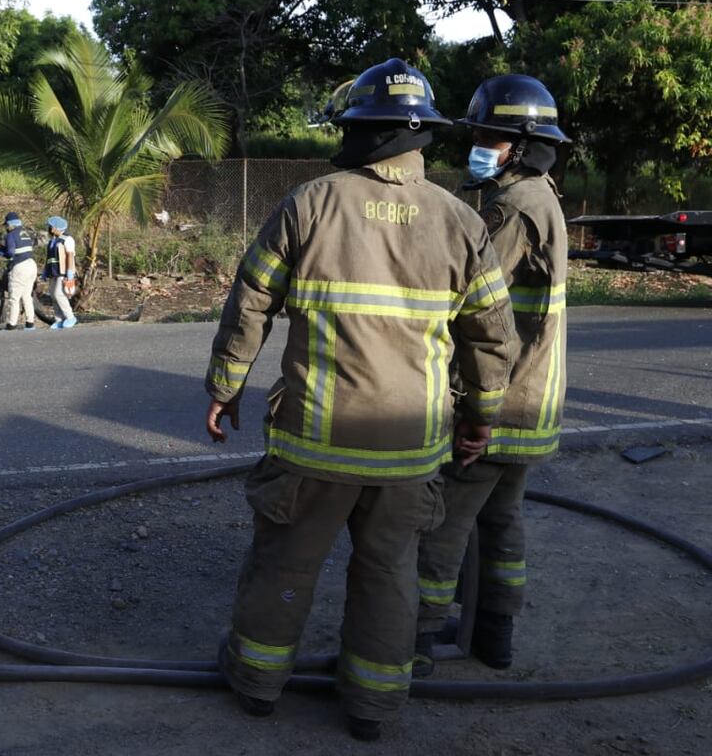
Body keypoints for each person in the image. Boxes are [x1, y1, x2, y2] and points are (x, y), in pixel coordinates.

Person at [205, 58, 516, 742]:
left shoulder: (309, 204)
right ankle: (372, 707)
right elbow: (492, 339)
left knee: (285, 562)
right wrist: (480, 420)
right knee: (389, 575)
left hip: (314, 443)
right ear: (422, 137)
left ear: (356, 129)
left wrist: (225, 387)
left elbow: (249, 303)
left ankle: (257, 685)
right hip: (410, 449)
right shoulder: (462, 222)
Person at [414, 76, 570, 677]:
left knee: (444, 522)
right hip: (533, 401)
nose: (477, 144)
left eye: (490, 136)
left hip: (500, 402)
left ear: (522, 145)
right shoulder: (543, 196)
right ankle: (493, 634)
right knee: (501, 521)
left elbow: (477, 306)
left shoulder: (513, 209)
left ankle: (418, 640)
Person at [0, 212, 38, 330]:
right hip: (31, 265)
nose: (6, 228)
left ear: (11, 224)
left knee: (14, 297)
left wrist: (1, 251)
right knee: (26, 296)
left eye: (6, 225)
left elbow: (11, 252)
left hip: (20, 267)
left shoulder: (11, 235)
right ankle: (30, 324)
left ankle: (11, 324)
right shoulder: (25, 233)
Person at [44, 216, 78, 329]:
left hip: (63, 272)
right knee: (53, 295)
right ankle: (59, 319)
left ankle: (70, 317)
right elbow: (49, 258)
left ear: (56, 227)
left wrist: (69, 273)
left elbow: (69, 256)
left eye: (51, 226)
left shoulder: (67, 239)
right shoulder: (53, 240)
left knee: (59, 294)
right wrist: (45, 272)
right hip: (53, 271)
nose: (49, 228)